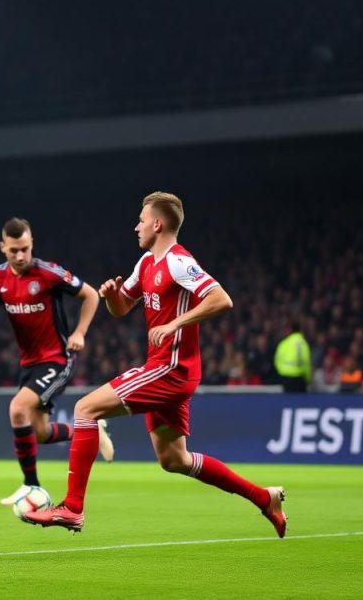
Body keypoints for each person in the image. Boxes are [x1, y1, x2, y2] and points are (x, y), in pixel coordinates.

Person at [25, 192, 287, 537]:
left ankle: (73, 508)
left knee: (85, 409)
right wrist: (111, 297)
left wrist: (175, 324)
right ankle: (264, 498)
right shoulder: (147, 263)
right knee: (175, 460)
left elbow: (221, 299)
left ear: (158, 224)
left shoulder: (178, 262)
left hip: (172, 369)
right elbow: (122, 308)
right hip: (167, 368)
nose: (137, 226)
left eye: (142, 220)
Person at [0, 217, 111, 507]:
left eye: (24, 249)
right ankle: (91, 430)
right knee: (41, 433)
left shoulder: (48, 273)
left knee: (17, 408)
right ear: (2, 247)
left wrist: (80, 332)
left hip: (57, 360)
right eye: (14, 250)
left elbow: (91, 295)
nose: (20, 256)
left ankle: (31, 486)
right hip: (29, 364)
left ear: (32, 243)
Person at [274, 321, 311, 392]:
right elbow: (307, 363)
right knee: (300, 399)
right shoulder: (304, 344)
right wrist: (307, 378)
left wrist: (282, 373)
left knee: (288, 399)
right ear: (300, 330)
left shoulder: (284, 343)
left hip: (287, 378)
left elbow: (277, 361)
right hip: (300, 378)